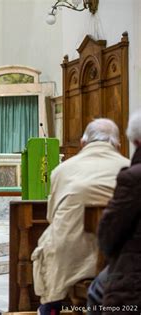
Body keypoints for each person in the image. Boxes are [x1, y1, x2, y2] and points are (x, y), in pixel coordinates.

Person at [31, 118, 130, 315]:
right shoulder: (129, 168)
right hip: (118, 260)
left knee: (53, 241)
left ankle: (51, 307)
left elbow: (52, 216)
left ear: (83, 143)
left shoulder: (62, 170)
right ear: (117, 144)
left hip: (70, 258)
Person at [96, 110, 141, 309]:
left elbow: (107, 236)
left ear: (134, 142)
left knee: (97, 292)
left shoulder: (133, 178)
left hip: (134, 276)